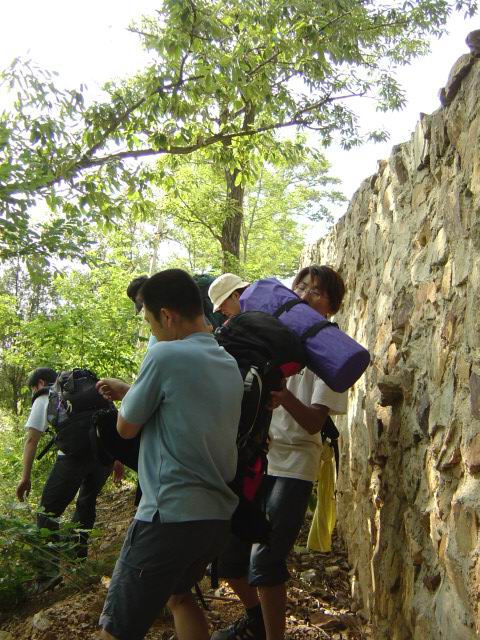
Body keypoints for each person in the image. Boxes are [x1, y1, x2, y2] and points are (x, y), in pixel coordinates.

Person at [97, 268, 244, 640]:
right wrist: (132, 390)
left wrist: (125, 394)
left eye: (150, 321)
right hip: (214, 519)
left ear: (167, 315)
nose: (152, 331)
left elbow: (125, 427)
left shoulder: (164, 355)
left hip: (168, 516)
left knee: (116, 629)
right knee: (178, 597)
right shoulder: (227, 362)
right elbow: (184, 410)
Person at [212, 265, 348, 640]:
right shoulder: (272, 339)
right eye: (300, 286)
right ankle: (256, 621)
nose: (305, 295)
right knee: (229, 557)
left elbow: (314, 423)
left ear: (332, 306)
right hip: (259, 460)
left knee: (266, 561)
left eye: (316, 292)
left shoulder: (331, 354)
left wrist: (283, 395)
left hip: (296, 466)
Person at [16, 367, 121, 594]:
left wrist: (25, 477)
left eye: (33, 388)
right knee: (86, 503)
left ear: (39, 383)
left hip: (73, 458)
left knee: (47, 512)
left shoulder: (47, 396)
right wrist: (117, 459)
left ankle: (48, 573)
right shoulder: (83, 391)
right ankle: (77, 562)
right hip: (103, 458)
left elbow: (32, 440)